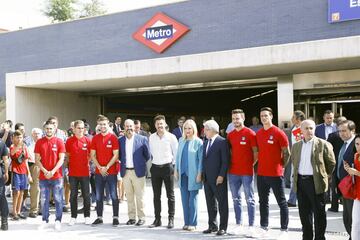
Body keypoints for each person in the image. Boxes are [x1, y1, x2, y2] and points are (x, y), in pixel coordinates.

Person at [291, 119, 336, 240]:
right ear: (301, 130)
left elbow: (331, 163)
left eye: (311, 128)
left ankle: (320, 237)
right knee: (304, 214)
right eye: (306, 128)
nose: (309, 130)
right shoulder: (296, 146)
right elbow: (294, 162)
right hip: (301, 183)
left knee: (319, 213)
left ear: (314, 129)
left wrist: (322, 175)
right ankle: (307, 237)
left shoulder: (323, 144)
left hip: (316, 183)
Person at [254, 107, 290, 239]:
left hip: (275, 174)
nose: (264, 118)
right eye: (262, 116)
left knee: (281, 202)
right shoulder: (258, 134)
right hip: (262, 173)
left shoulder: (279, 133)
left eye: (266, 115)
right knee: (263, 201)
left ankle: (284, 229)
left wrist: (282, 167)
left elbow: (287, 153)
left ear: (271, 116)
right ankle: (264, 227)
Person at [226, 109, 257, 236]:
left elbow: (256, 153)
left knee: (249, 199)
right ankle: (239, 224)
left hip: (247, 172)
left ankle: (251, 226)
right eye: (233, 119)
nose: (235, 121)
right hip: (233, 172)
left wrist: (250, 164)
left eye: (237, 118)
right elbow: (230, 152)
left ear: (243, 118)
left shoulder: (250, 133)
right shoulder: (230, 135)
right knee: (235, 199)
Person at [35, 120, 66, 231]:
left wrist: (52, 171)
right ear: (44, 129)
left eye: (51, 128)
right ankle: (45, 220)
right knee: (44, 199)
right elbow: (37, 159)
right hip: (43, 177)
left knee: (58, 199)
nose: (49, 130)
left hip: (57, 176)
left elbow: (61, 159)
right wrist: (44, 171)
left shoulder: (59, 142)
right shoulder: (39, 142)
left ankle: (58, 220)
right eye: (47, 128)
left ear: (54, 129)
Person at [148, 115, 178, 229]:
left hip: (167, 168)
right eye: (157, 124)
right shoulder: (151, 137)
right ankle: (157, 219)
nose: (160, 126)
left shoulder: (171, 137)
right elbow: (151, 152)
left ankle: (171, 219)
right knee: (156, 196)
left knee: (170, 195)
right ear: (155, 125)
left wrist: (174, 168)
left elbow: (176, 153)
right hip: (155, 168)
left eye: (161, 123)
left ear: (165, 124)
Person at [119, 119, 150, 226]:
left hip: (138, 172)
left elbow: (147, 155)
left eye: (131, 126)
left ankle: (141, 217)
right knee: (130, 197)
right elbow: (119, 156)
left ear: (135, 126)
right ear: (124, 127)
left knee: (140, 196)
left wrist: (139, 163)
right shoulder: (121, 140)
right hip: (126, 172)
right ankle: (131, 218)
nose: (129, 128)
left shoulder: (142, 139)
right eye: (127, 126)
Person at [90, 115, 120, 227]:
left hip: (111, 172)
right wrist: (100, 167)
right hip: (98, 172)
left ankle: (115, 217)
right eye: (100, 124)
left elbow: (116, 155)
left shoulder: (113, 138)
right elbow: (92, 155)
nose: (102, 126)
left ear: (108, 125)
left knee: (113, 195)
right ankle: (99, 217)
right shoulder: (95, 138)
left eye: (104, 124)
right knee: (98, 196)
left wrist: (106, 167)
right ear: (98, 125)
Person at [174, 119, 203, 231]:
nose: (187, 130)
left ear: (194, 129)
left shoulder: (198, 142)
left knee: (193, 200)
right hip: (182, 175)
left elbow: (201, 160)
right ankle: (186, 222)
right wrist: (176, 170)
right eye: (185, 128)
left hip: (194, 175)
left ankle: (193, 223)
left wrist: (199, 173)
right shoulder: (181, 140)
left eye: (189, 128)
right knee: (185, 200)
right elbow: (177, 157)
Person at [202, 120, 229, 236]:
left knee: (222, 203)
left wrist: (221, 175)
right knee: (210, 203)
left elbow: (225, 161)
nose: (204, 132)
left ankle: (223, 227)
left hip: (218, 178)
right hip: (207, 178)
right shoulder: (205, 142)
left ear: (211, 130)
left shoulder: (222, 142)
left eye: (206, 129)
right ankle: (212, 225)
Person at [65, 120, 92, 226]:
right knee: (73, 196)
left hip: (85, 172)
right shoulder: (69, 141)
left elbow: (91, 155)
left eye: (82, 128)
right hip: (73, 173)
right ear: (74, 129)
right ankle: (73, 217)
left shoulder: (88, 140)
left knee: (86, 195)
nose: (81, 130)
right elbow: (67, 155)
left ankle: (87, 216)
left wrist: (85, 162)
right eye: (79, 128)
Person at [336, 120, 356, 238]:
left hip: (353, 188)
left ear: (352, 130)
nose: (341, 134)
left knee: (352, 219)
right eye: (339, 131)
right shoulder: (343, 143)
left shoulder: (356, 144)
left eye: (344, 131)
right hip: (344, 187)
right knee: (347, 218)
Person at [10, 130, 32, 220]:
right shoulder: (12, 146)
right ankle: (14, 212)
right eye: (17, 137)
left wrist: (29, 174)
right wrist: (18, 146)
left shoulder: (24, 147)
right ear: (13, 138)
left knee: (22, 192)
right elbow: (12, 154)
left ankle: (19, 211)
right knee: (16, 192)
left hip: (23, 172)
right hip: (16, 171)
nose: (19, 139)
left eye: (20, 137)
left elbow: (26, 161)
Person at [327, 116, 347, 212]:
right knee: (346, 184)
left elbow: (327, 150)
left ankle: (334, 206)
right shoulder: (351, 136)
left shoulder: (332, 136)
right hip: (346, 164)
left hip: (335, 163)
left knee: (335, 185)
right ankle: (345, 203)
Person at [286, 110, 305, 207]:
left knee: (298, 178)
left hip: (303, 157)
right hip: (294, 157)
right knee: (293, 178)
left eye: (293, 117)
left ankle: (293, 200)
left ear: (298, 119)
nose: (291, 119)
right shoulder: (293, 129)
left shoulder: (305, 128)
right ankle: (293, 199)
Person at [344, 134, 360, 240]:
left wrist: (357, 172)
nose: (359, 146)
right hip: (357, 193)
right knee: (355, 223)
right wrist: (350, 170)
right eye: (357, 144)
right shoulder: (356, 155)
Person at [27, 128, 43, 218]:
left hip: (45, 166)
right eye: (35, 134)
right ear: (32, 135)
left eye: (38, 133)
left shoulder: (45, 144)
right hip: (34, 166)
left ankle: (43, 209)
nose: (37, 135)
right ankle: (34, 210)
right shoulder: (29, 145)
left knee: (45, 188)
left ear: (41, 135)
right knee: (35, 189)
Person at [0, 139, 9, 230]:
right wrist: (6, 172)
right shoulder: (1, 143)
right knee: (2, 197)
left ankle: (4, 222)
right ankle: (4, 222)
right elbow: (5, 160)